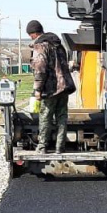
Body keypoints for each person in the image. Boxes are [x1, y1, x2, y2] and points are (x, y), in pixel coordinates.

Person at [28, 20, 77, 154]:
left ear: (33, 34)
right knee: (62, 117)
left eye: (30, 35)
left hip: (50, 89)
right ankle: (60, 147)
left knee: (45, 117)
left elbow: (40, 69)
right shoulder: (58, 44)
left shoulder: (40, 46)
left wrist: (38, 89)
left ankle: (42, 147)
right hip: (64, 86)